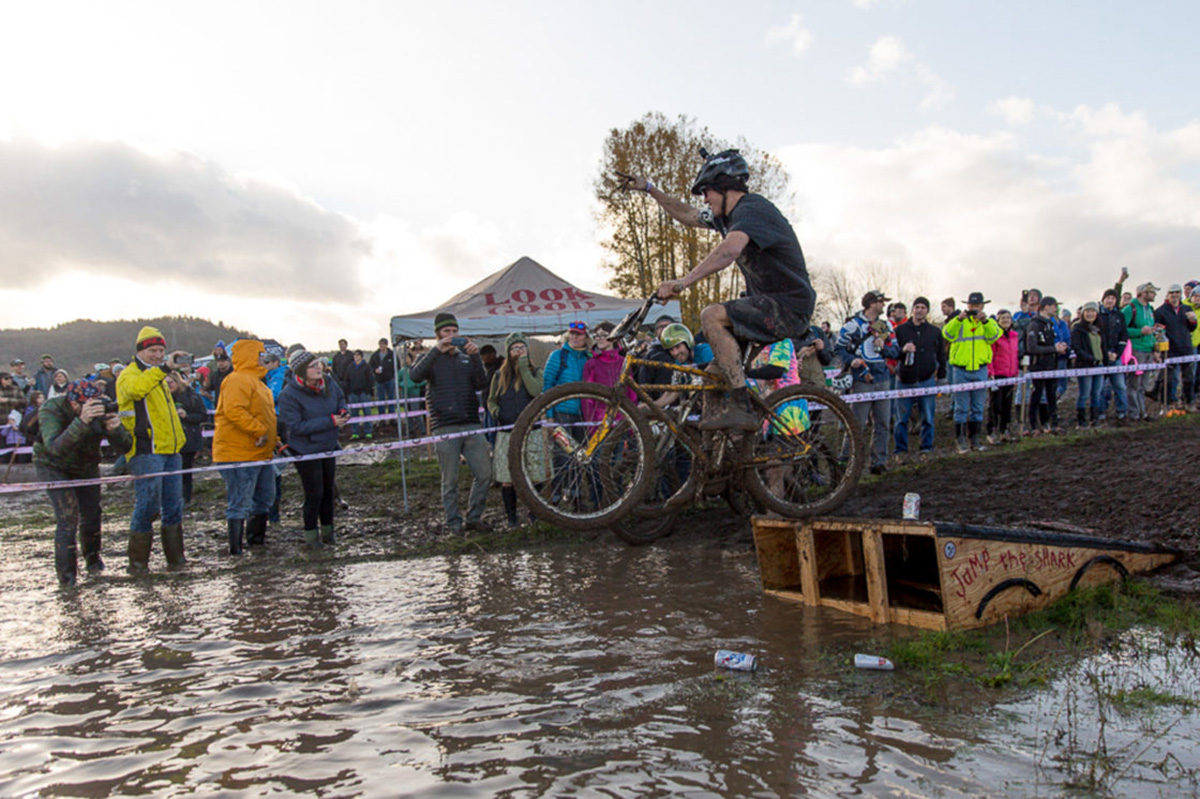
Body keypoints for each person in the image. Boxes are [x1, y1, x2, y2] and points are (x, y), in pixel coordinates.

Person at [620, 147, 815, 430]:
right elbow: (686, 214)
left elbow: (729, 251)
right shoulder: (726, 218)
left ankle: (741, 404)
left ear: (725, 187)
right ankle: (723, 456)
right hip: (767, 306)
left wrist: (682, 282)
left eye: (707, 191)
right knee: (712, 377)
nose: (704, 199)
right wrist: (650, 189)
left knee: (711, 315)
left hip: (789, 305)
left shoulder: (752, 209)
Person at [33, 379, 133, 585]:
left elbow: (125, 448)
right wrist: (82, 421)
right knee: (67, 518)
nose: (93, 408)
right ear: (73, 404)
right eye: (87, 405)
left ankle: (94, 561)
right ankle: (67, 577)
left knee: (92, 512)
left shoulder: (102, 406)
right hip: (53, 465)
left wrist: (116, 430)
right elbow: (55, 448)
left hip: (86, 464)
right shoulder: (52, 409)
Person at [410, 312, 492, 534]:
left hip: (471, 423)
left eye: (455, 331)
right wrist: (437, 350)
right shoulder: (429, 358)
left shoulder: (466, 357)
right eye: (447, 332)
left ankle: (474, 517)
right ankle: (453, 523)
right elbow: (415, 376)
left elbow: (482, 383)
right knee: (450, 480)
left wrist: (475, 357)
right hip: (444, 425)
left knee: (484, 473)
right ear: (438, 334)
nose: (451, 336)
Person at [117, 326, 189, 572]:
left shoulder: (157, 375)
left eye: (161, 350)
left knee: (174, 505)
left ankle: (176, 559)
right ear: (141, 351)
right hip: (145, 449)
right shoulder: (129, 374)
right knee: (147, 505)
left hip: (170, 449)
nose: (158, 355)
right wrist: (163, 369)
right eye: (153, 350)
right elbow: (136, 390)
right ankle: (137, 565)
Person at [278, 350, 350, 548]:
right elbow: (296, 426)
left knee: (328, 491)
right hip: (305, 449)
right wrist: (330, 421)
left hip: (328, 445)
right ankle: (311, 536)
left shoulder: (328, 381)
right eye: (313, 365)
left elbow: (340, 398)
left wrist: (343, 411)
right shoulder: (289, 395)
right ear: (301, 371)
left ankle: (329, 532)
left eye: (318, 363)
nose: (319, 367)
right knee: (314, 493)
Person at [213, 339, 278, 555]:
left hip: (260, 452)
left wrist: (273, 438)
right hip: (238, 452)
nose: (263, 358)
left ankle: (256, 541)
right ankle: (236, 549)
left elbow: (265, 415)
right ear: (250, 356)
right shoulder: (237, 380)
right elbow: (234, 411)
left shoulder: (259, 382)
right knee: (239, 501)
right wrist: (258, 430)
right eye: (259, 354)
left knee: (265, 498)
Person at [836, 290, 899, 473]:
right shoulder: (853, 325)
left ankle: (878, 462)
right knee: (857, 423)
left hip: (883, 377)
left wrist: (884, 346)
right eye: (881, 302)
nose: (884, 305)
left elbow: (895, 352)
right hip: (862, 378)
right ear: (872, 303)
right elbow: (839, 349)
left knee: (883, 423)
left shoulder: (886, 326)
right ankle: (846, 461)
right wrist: (850, 360)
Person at [486, 333, 543, 529]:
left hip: (531, 430)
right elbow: (491, 400)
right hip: (507, 431)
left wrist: (524, 369)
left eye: (522, 347)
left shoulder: (536, 371)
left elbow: (536, 391)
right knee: (507, 478)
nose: (519, 351)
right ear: (508, 352)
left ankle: (535, 513)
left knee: (535, 474)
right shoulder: (498, 375)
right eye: (514, 348)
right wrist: (497, 412)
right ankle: (512, 517)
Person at [943, 292, 1002, 453]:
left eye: (977, 306)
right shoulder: (958, 321)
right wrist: (959, 319)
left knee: (977, 407)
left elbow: (994, 336)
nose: (974, 309)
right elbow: (947, 334)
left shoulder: (988, 322)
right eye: (971, 306)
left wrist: (985, 321)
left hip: (980, 369)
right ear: (967, 306)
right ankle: (960, 441)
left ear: (982, 306)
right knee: (961, 408)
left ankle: (974, 440)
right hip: (961, 370)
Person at [892, 296, 945, 457]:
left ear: (927, 311)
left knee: (927, 418)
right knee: (901, 419)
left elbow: (941, 356)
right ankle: (901, 451)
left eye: (923, 307)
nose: (920, 310)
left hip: (926, 380)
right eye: (917, 307)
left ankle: (926, 448)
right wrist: (902, 350)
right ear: (912, 309)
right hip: (904, 380)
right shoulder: (900, 331)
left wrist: (941, 376)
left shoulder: (935, 332)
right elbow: (892, 353)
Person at [165, 371, 207, 508]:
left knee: (185, 470)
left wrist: (186, 416)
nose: (168, 385)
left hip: (188, 438)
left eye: (170, 382)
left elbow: (202, 415)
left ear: (177, 382)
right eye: (165, 383)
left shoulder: (191, 396)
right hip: (167, 440)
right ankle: (170, 500)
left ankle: (186, 499)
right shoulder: (160, 397)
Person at [1026, 296, 1067, 434]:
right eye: (1054, 306)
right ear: (1046, 307)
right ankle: (1033, 426)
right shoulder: (1035, 324)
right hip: (1038, 366)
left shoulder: (1050, 323)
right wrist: (1053, 349)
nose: (1056, 309)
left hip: (1052, 364)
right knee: (1036, 396)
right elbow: (1032, 348)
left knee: (1051, 395)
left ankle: (1052, 424)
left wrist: (1060, 348)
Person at [542, 321, 592, 431]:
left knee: (584, 448)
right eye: (572, 333)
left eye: (579, 334)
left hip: (584, 415)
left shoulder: (589, 359)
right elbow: (547, 387)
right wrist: (549, 416)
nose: (575, 337)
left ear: (586, 337)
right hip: (561, 413)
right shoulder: (557, 356)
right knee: (562, 448)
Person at [582, 321, 635, 421]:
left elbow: (632, 392)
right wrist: (592, 425)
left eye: (603, 335)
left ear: (614, 338)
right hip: (601, 421)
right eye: (596, 336)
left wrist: (632, 419)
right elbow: (587, 398)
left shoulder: (623, 362)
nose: (599, 339)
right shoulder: (591, 364)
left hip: (623, 420)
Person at [1154, 283, 1197, 407]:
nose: (1174, 295)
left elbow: (1192, 328)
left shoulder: (1186, 309)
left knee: (1189, 378)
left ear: (1180, 294)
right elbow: (1157, 331)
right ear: (1168, 295)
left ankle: (1188, 402)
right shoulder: (1160, 311)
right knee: (1169, 379)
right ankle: (1166, 404)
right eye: (1172, 293)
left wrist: (1193, 321)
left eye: (1177, 292)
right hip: (1170, 349)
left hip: (1186, 347)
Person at [987, 309, 1020, 443]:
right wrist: (991, 373)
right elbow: (991, 356)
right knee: (995, 405)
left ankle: (1004, 430)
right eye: (1003, 318)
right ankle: (992, 430)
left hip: (1010, 375)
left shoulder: (1014, 336)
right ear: (998, 321)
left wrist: (1016, 374)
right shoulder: (995, 336)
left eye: (1008, 318)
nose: (1006, 320)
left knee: (1007, 405)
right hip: (998, 374)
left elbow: (1015, 356)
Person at [1071, 302, 1106, 428]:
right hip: (1085, 366)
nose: (1090, 314)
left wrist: (1105, 360)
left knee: (1096, 393)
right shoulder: (1078, 329)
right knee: (1084, 394)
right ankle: (1081, 421)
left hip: (1100, 365)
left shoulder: (1099, 329)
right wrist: (1091, 359)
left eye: (1093, 311)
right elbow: (1077, 348)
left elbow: (1103, 346)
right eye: (1088, 311)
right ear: (1083, 313)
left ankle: (1094, 419)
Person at [1097, 288, 1130, 424]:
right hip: (1101, 355)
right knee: (1102, 387)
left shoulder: (1119, 315)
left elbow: (1124, 335)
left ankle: (1122, 412)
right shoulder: (1097, 315)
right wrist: (1105, 353)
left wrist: (1118, 353)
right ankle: (1100, 412)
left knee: (1120, 386)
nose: (1110, 300)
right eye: (1108, 298)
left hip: (1116, 355)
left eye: (1113, 298)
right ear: (1103, 299)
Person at [344, 349, 375, 440]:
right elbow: (347, 379)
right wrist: (349, 391)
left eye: (358, 355)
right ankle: (355, 433)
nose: (356, 357)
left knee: (367, 413)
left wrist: (367, 390)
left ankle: (368, 432)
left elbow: (370, 380)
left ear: (361, 356)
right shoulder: (350, 367)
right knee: (354, 414)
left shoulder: (366, 367)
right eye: (355, 355)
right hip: (353, 393)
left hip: (364, 393)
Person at [369, 338, 397, 415]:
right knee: (380, 399)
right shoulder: (375, 355)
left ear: (386, 345)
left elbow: (397, 366)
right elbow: (370, 367)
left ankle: (392, 415)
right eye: (380, 344)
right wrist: (375, 371)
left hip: (390, 380)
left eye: (383, 344)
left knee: (391, 398)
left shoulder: (392, 354)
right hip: (379, 380)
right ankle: (382, 416)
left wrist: (393, 376)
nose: (381, 346)